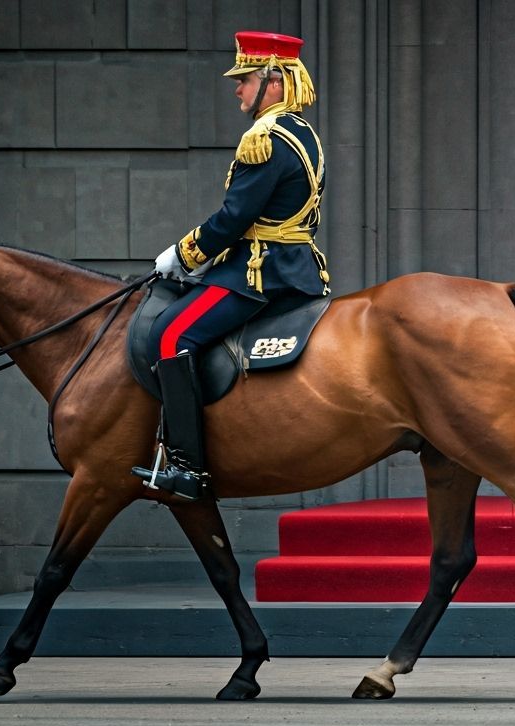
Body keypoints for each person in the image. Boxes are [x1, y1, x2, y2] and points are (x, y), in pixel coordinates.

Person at [132, 31, 329, 500]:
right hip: (296, 265)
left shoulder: (265, 138)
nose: (238, 88)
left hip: (260, 272)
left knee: (170, 336)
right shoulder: (303, 133)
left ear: (274, 82)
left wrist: (182, 255)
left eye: (246, 79)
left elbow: (234, 218)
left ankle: (187, 467)